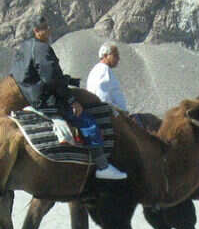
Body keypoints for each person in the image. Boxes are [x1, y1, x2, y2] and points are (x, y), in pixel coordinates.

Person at [10, 15, 126, 180]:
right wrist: (71, 100)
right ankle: (102, 166)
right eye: (45, 28)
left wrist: (67, 80)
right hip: (45, 99)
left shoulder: (21, 49)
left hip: (29, 95)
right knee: (88, 122)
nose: (49, 30)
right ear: (36, 31)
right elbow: (51, 78)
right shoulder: (42, 49)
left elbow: (25, 74)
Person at [86, 42, 128, 111]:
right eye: (115, 55)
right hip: (113, 115)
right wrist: (119, 113)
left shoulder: (98, 69)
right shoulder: (103, 70)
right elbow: (103, 98)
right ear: (105, 56)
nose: (118, 59)